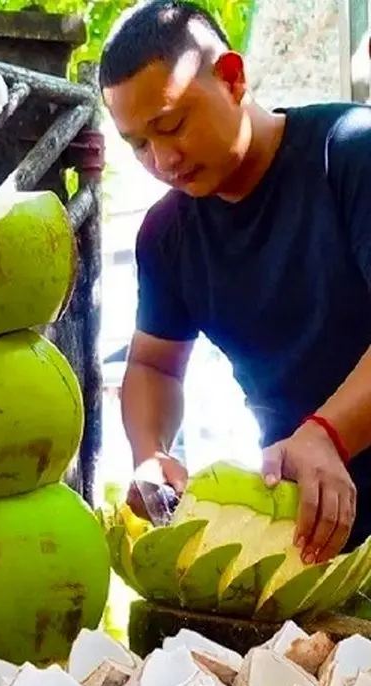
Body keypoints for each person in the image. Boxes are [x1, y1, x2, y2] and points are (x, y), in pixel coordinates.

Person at [99, 0, 371, 565]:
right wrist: (149, 454)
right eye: (138, 144)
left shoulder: (351, 152)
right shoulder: (165, 236)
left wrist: (327, 432)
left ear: (232, 77)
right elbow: (153, 365)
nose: (163, 159)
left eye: (172, 124)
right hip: (306, 535)